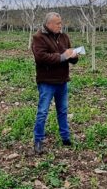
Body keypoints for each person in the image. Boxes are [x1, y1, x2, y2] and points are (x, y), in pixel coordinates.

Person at [31, 12, 79, 155]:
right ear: (49, 24)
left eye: (60, 23)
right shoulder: (38, 38)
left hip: (62, 81)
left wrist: (73, 56)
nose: (60, 25)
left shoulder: (64, 37)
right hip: (47, 81)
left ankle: (65, 138)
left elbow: (70, 57)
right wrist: (62, 56)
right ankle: (38, 140)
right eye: (57, 23)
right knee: (43, 112)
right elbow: (41, 57)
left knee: (63, 111)